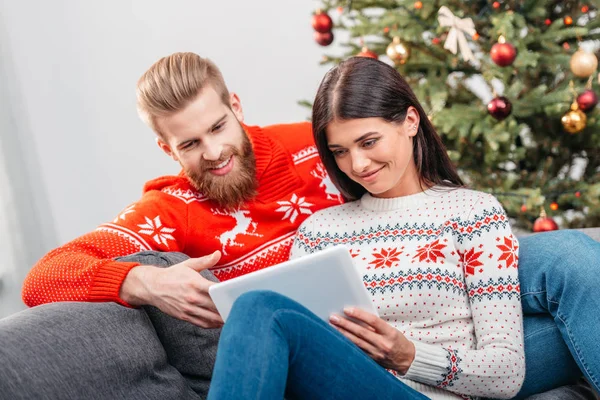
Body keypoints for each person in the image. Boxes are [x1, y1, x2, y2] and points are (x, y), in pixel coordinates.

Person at [14, 53, 599, 399]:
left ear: (236, 106)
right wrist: (142, 282)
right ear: (167, 150)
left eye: (218, 127)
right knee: (261, 308)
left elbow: (407, 177)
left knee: (574, 257)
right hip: (335, 344)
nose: (214, 152)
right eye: (190, 143)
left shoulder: (320, 144)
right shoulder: (166, 213)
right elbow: (45, 275)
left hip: (432, 284)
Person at [206, 56, 525, 400]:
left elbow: (506, 373)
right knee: (255, 308)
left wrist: (408, 356)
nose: (356, 165)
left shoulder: (474, 212)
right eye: (340, 151)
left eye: (369, 142)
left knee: (258, 306)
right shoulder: (318, 231)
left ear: (411, 121)